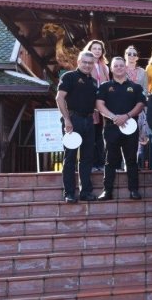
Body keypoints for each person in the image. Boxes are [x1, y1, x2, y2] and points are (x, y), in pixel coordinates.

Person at [95, 57, 147, 201]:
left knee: (131, 159)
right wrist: (114, 117)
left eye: (121, 65)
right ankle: (107, 191)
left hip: (131, 128)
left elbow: (141, 104)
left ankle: (134, 190)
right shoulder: (105, 86)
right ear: (111, 68)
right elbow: (99, 105)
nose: (118, 68)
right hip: (111, 128)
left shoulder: (135, 87)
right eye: (115, 66)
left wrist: (127, 116)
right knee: (110, 160)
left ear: (125, 67)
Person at [56, 50, 98, 203]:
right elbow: (59, 98)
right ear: (79, 62)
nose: (87, 65)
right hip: (73, 119)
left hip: (89, 121)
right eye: (84, 62)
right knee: (70, 157)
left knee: (87, 158)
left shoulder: (93, 82)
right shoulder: (69, 76)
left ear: (93, 65)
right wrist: (67, 119)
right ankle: (69, 193)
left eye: (90, 63)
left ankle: (85, 192)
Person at [87, 39, 110, 173]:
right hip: (90, 104)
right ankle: (91, 163)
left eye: (99, 49)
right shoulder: (86, 65)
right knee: (91, 135)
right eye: (94, 48)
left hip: (103, 103)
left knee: (100, 136)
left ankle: (100, 163)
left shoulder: (105, 67)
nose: (97, 51)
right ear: (90, 50)